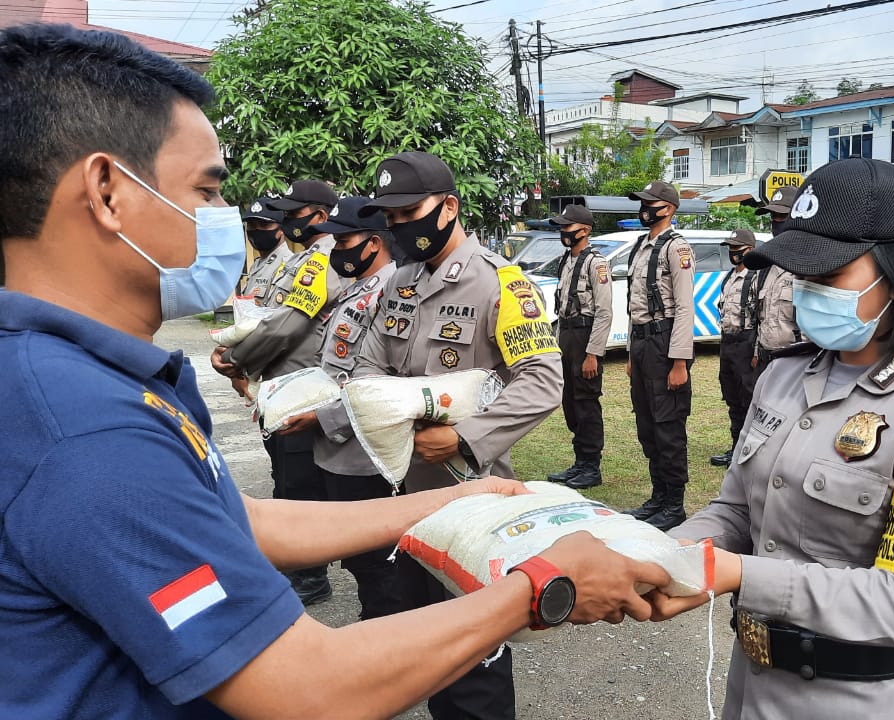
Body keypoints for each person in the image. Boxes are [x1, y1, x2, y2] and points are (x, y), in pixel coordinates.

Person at [0, 23, 668, 720]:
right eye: (206, 192)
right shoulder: (85, 428)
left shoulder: (84, 384)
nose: (225, 217)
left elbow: (239, 519)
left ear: (448, 207)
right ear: (107, 190)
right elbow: (306, 687)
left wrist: (458, 472)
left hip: (454, 475)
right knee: (398, 616)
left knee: (466, 660)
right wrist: (544, 586)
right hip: (379, 466)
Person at [652, 158, 894, 720]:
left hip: (863, 699)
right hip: (754, 684)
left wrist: (734, 574)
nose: (807, 290)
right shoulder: (781, 377)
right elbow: (737, 509)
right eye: (801, 274)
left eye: (829, 275)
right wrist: (669, 556)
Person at [353, 151, 563, 720]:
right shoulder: (398, 282)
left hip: (471, 498)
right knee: (425, 644)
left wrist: (465, 437)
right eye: (390, 219)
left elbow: (543, 382)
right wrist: (394, 411)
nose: (399, 228)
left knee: (474, 659)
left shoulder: (500, 283)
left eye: (408, 214)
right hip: (403, 493)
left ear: (449, 207)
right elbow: (367, 368)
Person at [210, 177, 344, 607]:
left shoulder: (321, 261)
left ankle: (309, 574)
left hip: (302, 386)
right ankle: (297, 563)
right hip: (281, 383)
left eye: (294, 212)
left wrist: (237, 360)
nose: (285, 221)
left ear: (320, 216)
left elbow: (288, 323)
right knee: (287, 478)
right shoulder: (303, 259)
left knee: (300, 484)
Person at [273, 195, 402, 620]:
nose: (337, 249)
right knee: (358, 555)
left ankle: (386, 640)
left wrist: (322, 417)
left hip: (362, 451)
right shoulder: (354, 288)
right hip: (334, 448)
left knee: (379, 558)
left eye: (346, 240)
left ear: (375, 243)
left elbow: (384, 383)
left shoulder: (392, 290)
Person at [622, 180, 696, 531]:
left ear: (668, 208)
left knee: (668, 425)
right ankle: (658, 495)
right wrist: (631, 353)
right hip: (642, 342)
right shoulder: (641, 245)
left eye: (649, 203)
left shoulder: (676, 248)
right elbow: (634, 305)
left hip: (665, 343)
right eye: (643, 203)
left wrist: (679, 360)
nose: (644, 208)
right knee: (648, 424)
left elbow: (684, 308)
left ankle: (674, 504)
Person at [545, 203, 611, 490]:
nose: (563, 232)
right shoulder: (566, 260)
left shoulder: (596, 263)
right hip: (568, 335)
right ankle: (579, 461)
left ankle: (591, 466)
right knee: (570, 402)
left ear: (584, 230)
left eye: (567, 227)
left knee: (586, 404)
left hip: (586, 336)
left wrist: (593, 353)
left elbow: (605, 311)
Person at [710, 228, 763, 467]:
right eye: (730, 249)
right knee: (732, 398)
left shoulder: (755, 278)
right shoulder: (729, 277)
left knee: (748, 398)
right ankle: (735, 447)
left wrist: (755, 352)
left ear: (749, 250)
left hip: (747, 343)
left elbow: (761, 317)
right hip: (728, 342)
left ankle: (749, 450)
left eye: (737, 250)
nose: (733, 253)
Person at [753, 186, 804, 372]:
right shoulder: (766, 265)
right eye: (773, 217)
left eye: (781, 217)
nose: (776, 223)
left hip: (797, 363)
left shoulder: (810, 266)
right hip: (765, 361)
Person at [240, 196, 292, 304]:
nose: (257, 230)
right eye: (252, 225)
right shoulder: (257, 265)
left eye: (264, 225)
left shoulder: (289, 266)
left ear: (282, 228)